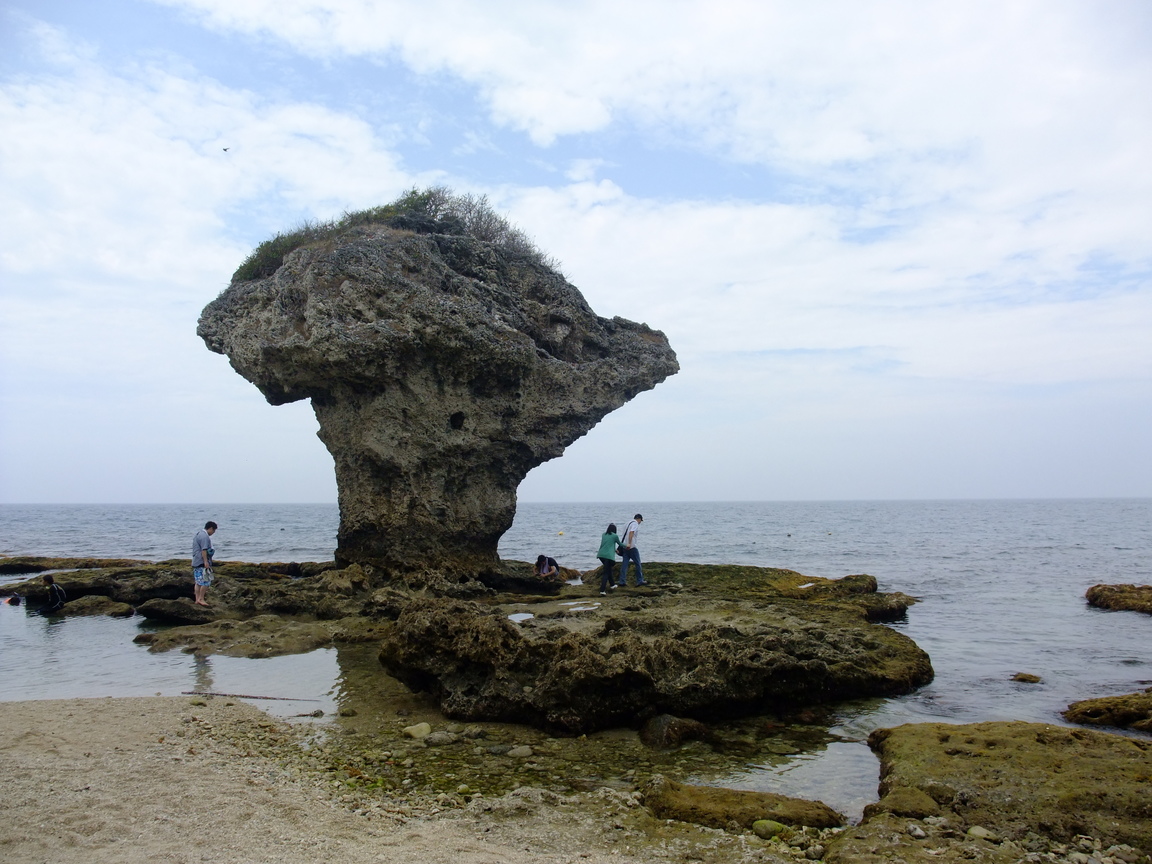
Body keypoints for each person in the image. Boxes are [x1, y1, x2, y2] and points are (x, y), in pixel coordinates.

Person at [192, 520, 218, 607]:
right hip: (201, 562)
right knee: (206, 581)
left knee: (198, 582)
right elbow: (204, 550)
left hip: (196, 561)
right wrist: (206, 562)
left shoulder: (198, 534)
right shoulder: (204, 537)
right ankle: (201, 599)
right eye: (213, 531)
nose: (213, 533)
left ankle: (197, 599)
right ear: (210, 528)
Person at [617, 513, 645, 587]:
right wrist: (629, 543)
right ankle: (640, 580)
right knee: (638, 563)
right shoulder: (635, 524)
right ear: (639, 519)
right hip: (631, 547)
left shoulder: (627, 523)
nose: (640, 522)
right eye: (640, 521)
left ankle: (622, 581)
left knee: (624, 564)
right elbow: (631, 532)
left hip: (624, 546)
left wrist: (626, 544)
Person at [596, 523, 621, 595]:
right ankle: (602, 590)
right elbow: (620, 544)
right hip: (608, 557)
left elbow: (607, 544)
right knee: (606, 573)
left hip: (601, 555)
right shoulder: (615, 536)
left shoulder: (603, 535)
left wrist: (614, 549)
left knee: (608, 569)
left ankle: (612, 585)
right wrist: (627, 545)